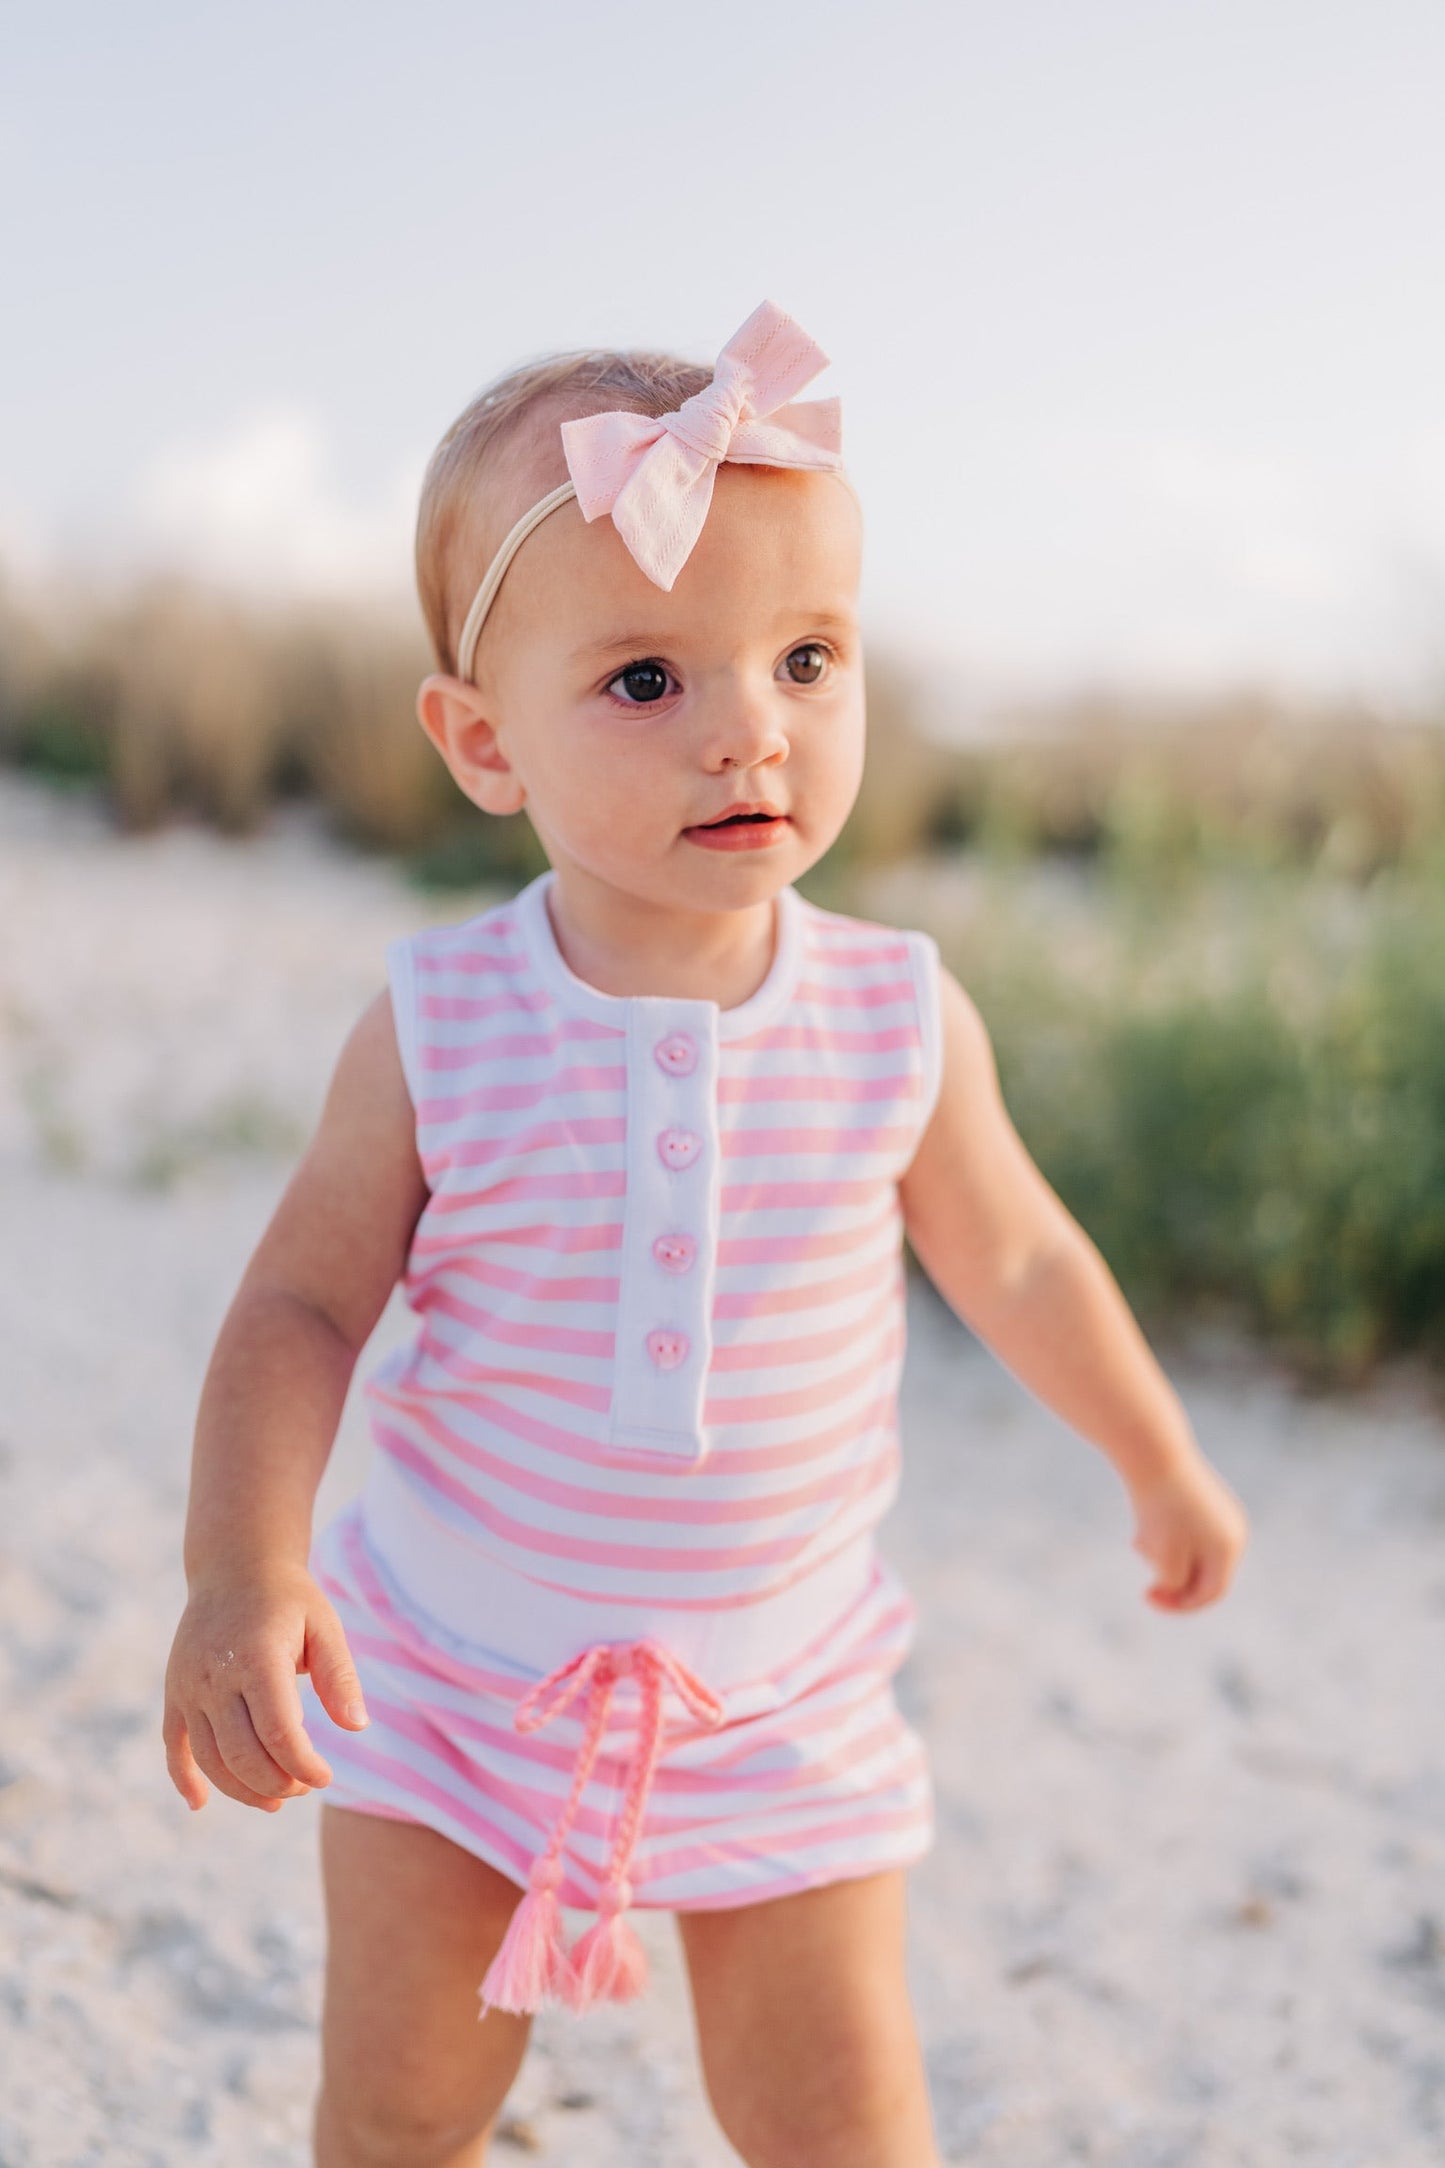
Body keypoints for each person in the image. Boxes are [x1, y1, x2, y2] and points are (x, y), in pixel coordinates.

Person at [162, 300, 1249, 2168]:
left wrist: (1153, 1455)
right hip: (451, 1673)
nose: (751, 728)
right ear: (481, 742)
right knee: (404, 2110)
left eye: (805, 658)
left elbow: (1023, 1260)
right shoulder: (441, 1027)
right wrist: (242, 1573)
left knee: (842, 2125)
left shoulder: (898, 1014)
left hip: (784, 1687)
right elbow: (299, 1309)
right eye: (648, 681)